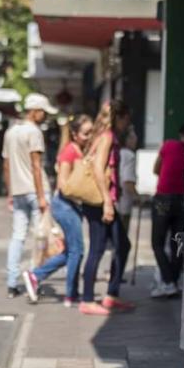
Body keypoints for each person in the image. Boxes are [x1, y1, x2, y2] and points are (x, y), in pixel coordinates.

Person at [22, 115, 93, 306]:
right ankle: (71, 295)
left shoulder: (79, 150)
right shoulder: (70, 152)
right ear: (75, 134)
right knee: (76, 251)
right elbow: (63, 185)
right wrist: (85, 194)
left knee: (71, 251)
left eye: (91, 132)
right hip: (65, 205)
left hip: (72, 206)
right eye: (86, 133)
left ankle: (35, 275)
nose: (89, 136)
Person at [79, 100, 134, 315]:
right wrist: (108, 202)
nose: (126, 125)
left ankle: (111, 295)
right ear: (118, 118)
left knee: (123, 245)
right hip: (100, 203)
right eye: (126, 120)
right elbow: (98, 170)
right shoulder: (107, 137)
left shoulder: (102, 136)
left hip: (103, 201)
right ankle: (87, 300)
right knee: (97, 249)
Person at [4, 93, 58, 298]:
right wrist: (42, 196)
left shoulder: (11, 133)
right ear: (35, 111)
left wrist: (10, 191)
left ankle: (12, 282)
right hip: (36, 191)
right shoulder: (34, 132)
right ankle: (34, 279)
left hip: (18, 191)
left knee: (17, 236)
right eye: (43, 112)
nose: (44, 116)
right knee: (39, 238)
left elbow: (6, 165)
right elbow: (37, 166)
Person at [150, 122, 184, 298]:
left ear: (181, 134)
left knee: (158, 243)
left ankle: (168, 282)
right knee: (178, 243)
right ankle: (174, 281)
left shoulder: (169, 145)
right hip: (183, 200)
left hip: (163, 198)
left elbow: (156, 169)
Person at [118, 126, 139, 230]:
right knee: (122, 240)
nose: (135, 140)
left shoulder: (117, 152)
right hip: (124, 204)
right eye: (132, 137)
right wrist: (138, 197)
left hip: (114, 203)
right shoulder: (130, 156)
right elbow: (128, 181)